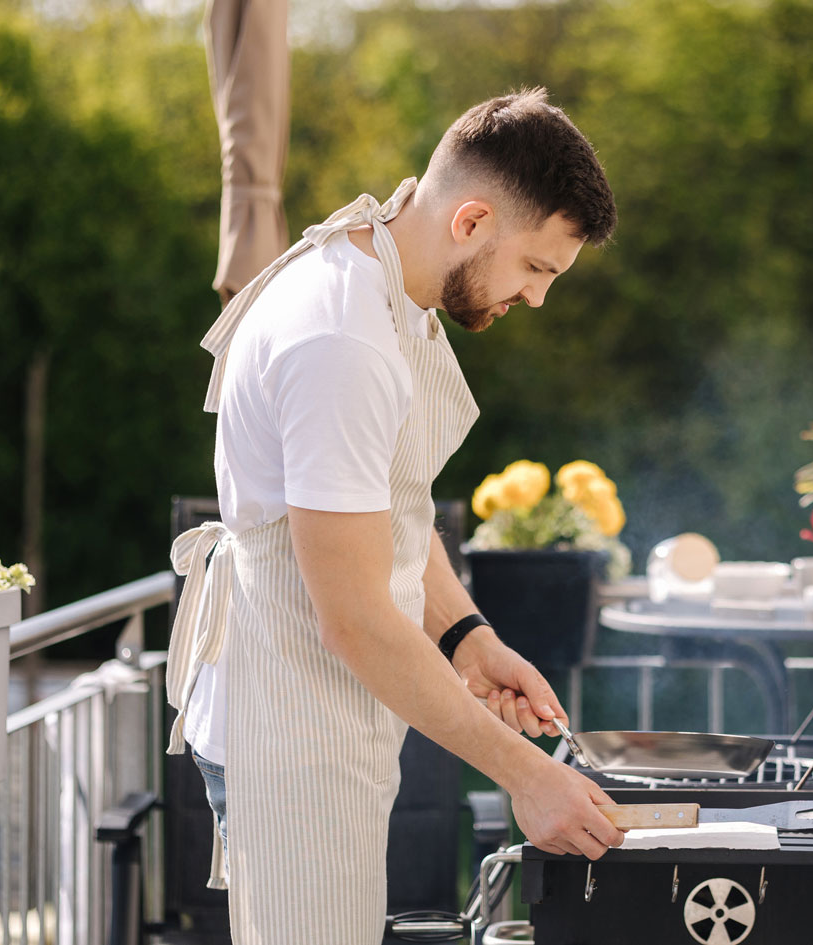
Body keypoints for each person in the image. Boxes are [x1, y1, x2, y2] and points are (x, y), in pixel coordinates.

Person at [166, 88, 625, 943]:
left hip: (333, 716)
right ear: (472, 221)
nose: (536, 299)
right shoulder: (339, 340)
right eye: (536, 269)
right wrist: (528, 776)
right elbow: (357, 621)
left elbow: (390, 512)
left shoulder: (392, 290)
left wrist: (468, 637)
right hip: (289, 729)